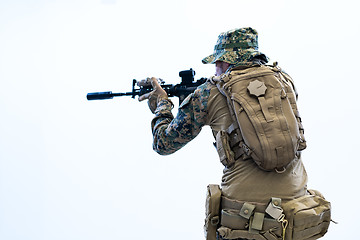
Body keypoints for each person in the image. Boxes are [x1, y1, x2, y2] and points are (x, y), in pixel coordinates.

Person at [138, 27, 327, 240]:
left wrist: (162, 106)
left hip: (244, 222)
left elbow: (163, 143)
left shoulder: (208, 93)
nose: (215, 68)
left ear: (225, 61)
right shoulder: (285, 80)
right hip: (296, 217)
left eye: (217, 62)